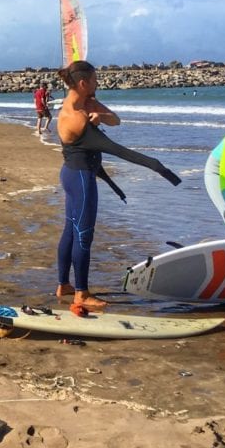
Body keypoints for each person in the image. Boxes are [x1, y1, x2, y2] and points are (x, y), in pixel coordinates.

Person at [55, 60, 182, 312]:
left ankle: (64, 285)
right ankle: (81, 294)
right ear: (83, 83)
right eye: (94, 80)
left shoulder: (85, 103)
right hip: (80, 179)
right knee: (83, 235)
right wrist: (159, 168)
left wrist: (101, 116)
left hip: (71, 175)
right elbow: (119, 150)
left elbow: (116, 120)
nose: (97, 83)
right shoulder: (76, 118)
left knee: (71, 230)